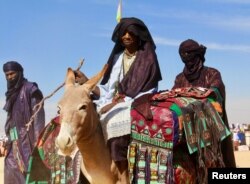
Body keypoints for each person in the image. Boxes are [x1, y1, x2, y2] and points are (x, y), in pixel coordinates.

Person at [75, 17, 162, 183]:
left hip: (140, 98)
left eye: (131, 32)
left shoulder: (148, 57)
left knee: (115, 122)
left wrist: (117, 103)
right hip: (116, 100)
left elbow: (147, 88)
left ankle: (123, 177)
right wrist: (87, 82)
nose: (127, 36)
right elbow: (108, 90)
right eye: (124, 33)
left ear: (138, 35)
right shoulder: (117, 58)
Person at [172, 39, 236, 168]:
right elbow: (174, 98)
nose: (186, 58)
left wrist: (195, 103)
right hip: (187, 131)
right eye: (183, 55)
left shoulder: (212, 74)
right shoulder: (180, 78)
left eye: (189, 54)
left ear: (197, 55)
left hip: (210, 129)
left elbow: (215, 94)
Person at [2, 61, 45, 184]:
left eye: (12, 74)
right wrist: (7, 140)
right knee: (10, 171)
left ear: (19, 73)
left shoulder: (31, 90)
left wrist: (38, 143)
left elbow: (38, 119)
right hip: (14, 141)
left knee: (28, 172)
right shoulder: (11, 94)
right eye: (7, 75)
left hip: (27, 140)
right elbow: (11, 120)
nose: (9, 77)